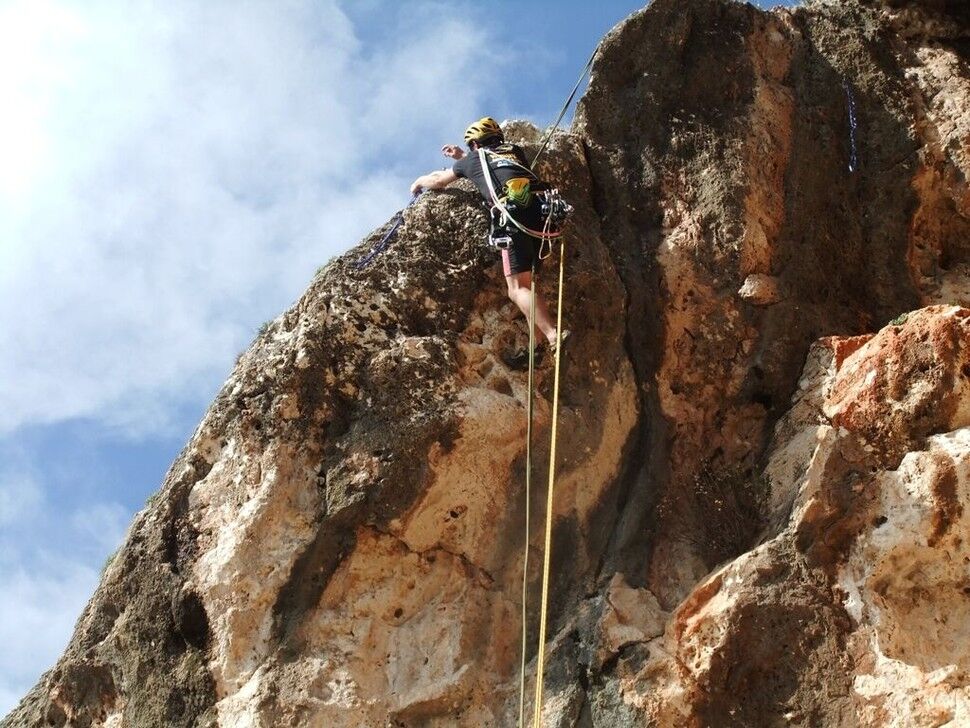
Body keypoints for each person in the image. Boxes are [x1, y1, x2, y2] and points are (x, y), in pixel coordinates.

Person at [410, 117, 567, 354]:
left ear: (475, 144)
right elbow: (492, 167)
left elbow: (439, 181)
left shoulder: (473, 159)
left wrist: (418, 182)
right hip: (542, 216)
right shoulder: (514, 151)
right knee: (526, 282)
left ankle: (553, 336)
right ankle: (537, 344)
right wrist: (462, 156)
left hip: (513, 218)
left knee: (516, 289)